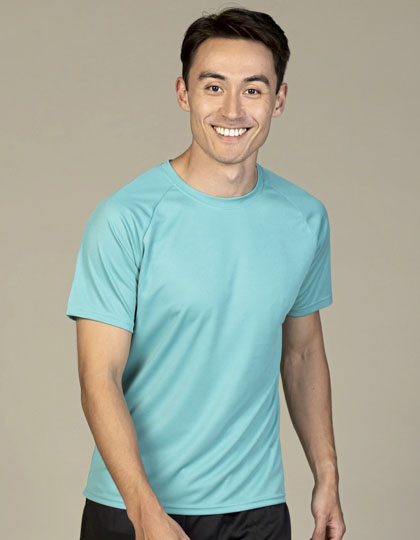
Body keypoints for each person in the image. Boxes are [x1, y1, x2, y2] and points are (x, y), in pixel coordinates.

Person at [66, 7, 346, 540]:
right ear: (184, 93)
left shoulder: (305, 218)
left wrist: (326, 474)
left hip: (256, 509)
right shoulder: (126, 218)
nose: (232, 109)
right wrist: (145, 512)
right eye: (213, 87)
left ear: (279, 100)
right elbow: (98, 378)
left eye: (253, 90)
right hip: (134, 506)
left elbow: (303, 353)